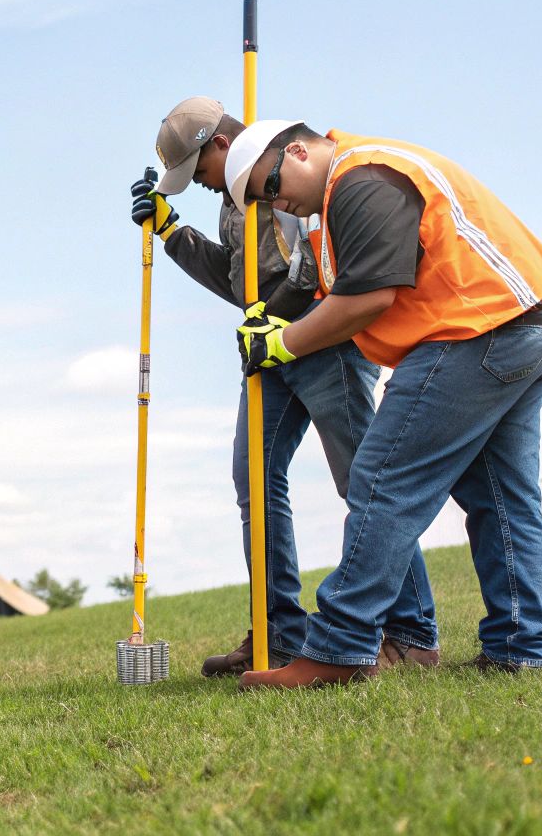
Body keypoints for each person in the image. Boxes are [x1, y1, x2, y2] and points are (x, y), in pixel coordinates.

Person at [224, 120, 542, 689]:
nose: (276, 203)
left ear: (298, 151)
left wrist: (281, 344)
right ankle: (521, 648)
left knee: (382, 479)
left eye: (271, 186)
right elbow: (328, 285)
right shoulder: (356, 184)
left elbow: (368, 296)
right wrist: (273, 315)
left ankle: (340, 647)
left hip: (474, 332)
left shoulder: (360, 178)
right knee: (501, 498)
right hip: (531, 324)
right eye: (264, 202)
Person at [131, 97, 439, 676]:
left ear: (221, 144)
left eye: (199, 171)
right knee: (254, 479)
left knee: (363, 481)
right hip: (266, 349)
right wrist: (173, 233)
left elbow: (316, 267)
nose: (201, 184)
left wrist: (275, 323)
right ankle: (277, 633)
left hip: (322, 340)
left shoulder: (282, 178)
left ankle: (412, 633)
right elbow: (240, 282)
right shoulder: (232, 202)